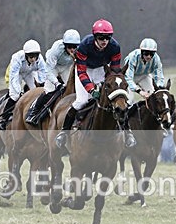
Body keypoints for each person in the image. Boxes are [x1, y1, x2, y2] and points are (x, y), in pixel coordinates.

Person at [55, 19, 136, 149]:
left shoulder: (115, 47)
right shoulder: (84, 45)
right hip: (84, 69)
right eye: (101, 37)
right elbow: (81, 72)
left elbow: (115, 72)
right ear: (95, 37)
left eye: (108, 37)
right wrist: (92, 90)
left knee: (117, 101)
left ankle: (128, 133)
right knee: (82, 101)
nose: (105, 41)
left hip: (101, 69)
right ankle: (64, 132)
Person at [25, 29, 80, 126]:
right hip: (53, 67)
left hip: (66, 67)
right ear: (65, 45)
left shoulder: (79, 50)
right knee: (49, 90)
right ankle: (34, 112)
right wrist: (57, 83)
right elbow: (48, 70)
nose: (72, 49)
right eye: (69, 46)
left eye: (74, 46)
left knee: (74, 87)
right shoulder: (56, 49)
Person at [122, 38, 165, 104]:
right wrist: (140, 91)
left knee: (153, 96)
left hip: (144, 76)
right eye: (146, 53)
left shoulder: (156, 59)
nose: (149, 57)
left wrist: (159, 87)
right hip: (131, 77)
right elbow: (128, 78)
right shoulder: (133, 57)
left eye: (151, 54)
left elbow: (159, 77)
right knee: (129, 100)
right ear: (141, 51)